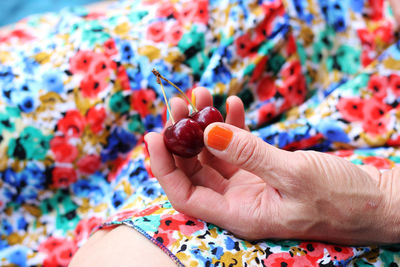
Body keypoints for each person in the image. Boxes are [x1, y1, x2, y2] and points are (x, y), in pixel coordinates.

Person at [1, 0, 400, 266]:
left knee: (135, 256)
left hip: (379, 154)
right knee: (17, 97)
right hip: (314, 21)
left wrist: (381, 202)